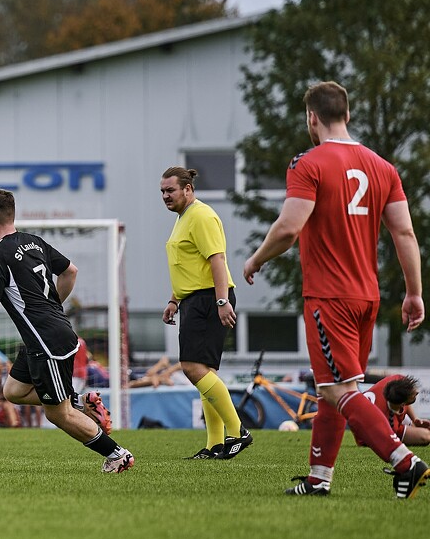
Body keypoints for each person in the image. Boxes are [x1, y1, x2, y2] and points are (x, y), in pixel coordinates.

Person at [244, 81, 426, 498]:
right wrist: (414, 293)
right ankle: (318, 478)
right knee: (333, 390)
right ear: (347, 114)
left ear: (312, 117)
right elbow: (404, 232)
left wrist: (256, 259)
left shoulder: (308, 163)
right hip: (367, 297)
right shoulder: (383, 167)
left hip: (329, 297)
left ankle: (406, 462)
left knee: (337, 389)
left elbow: (289, 228)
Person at [0, 188, 135, 473]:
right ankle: (82, 400)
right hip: (48, 336)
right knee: (13, 390)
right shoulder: (34, 242)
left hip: (47, 342)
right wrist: (53, 307)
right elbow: (71, 271)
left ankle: (117, 454)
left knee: (59, 414)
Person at [160, 165, 250, 460]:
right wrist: (174, 300)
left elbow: (217, 260)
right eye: (162, 191)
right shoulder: (183, 218)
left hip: (209, 298)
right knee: (204, 371)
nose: (165, 196)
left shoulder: (201, 215)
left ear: (188, 189)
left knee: (192, 367)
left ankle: (237, 431)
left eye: (170, 190)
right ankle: (215, 445)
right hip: (194, 299)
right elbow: (188, 265)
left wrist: (222, 302)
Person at [360, 375, 429, 449]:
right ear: (402, 404)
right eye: (412, 395)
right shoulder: (387, 423)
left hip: (385, 414)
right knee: (426, 437)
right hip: (370, 434)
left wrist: (414, 419)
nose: (417, 392)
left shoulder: (397, 380)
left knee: (424, 429)